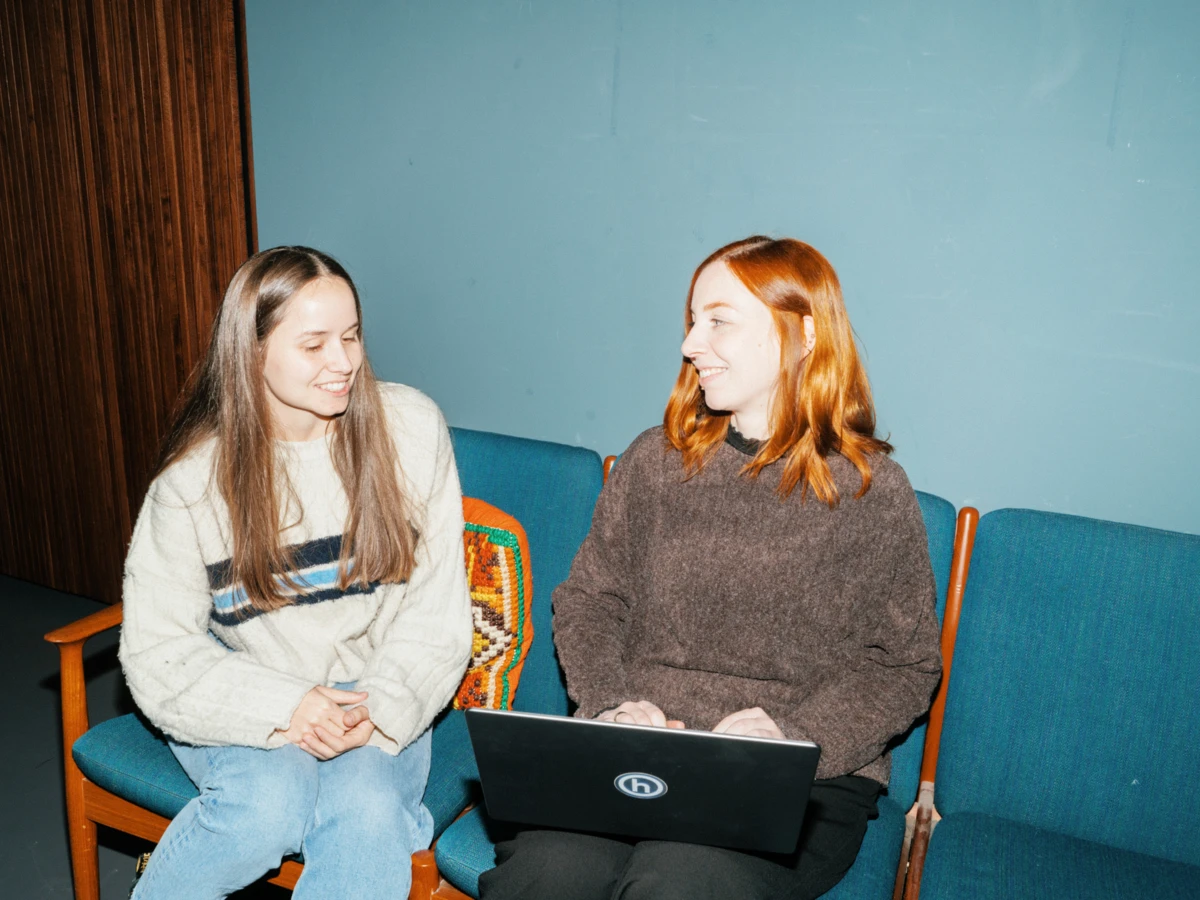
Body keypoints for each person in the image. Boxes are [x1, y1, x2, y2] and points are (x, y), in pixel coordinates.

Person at [479, 236, 942, 900]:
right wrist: (608, 705)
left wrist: (794, 738)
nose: (691, 343)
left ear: (804, 332)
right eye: (692, 320)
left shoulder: (870, 489)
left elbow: (902, 663)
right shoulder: (653, 462)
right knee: (549, 873)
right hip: (638, 751)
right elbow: (590, 601)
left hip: (799, 774)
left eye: (719, 320)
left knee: (681, 881)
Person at [119, 246, 473, 899]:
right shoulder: (193, 482)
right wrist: (285, 706)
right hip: (245, 681)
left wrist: (383, 705)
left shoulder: (413, 429)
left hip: (375, 687)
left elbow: (438, 618)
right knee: (265, 807)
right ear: (252, 354)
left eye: (351, 336)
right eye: (314, 345)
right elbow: (157, 652)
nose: (343, 363)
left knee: (369, 812)